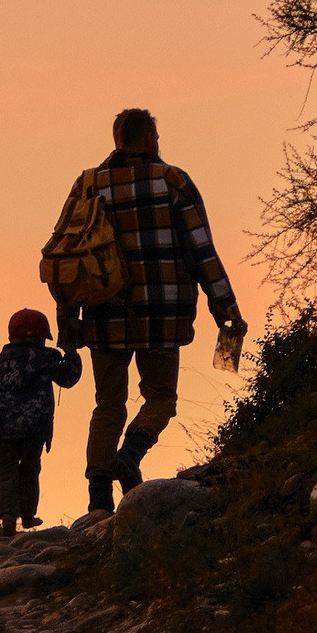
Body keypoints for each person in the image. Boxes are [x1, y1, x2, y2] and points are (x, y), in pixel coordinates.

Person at [49, 107, 245, 512]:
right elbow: (201, 250)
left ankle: (98, 501)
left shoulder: (89, 184)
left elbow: (64, 254)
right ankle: (129, 457)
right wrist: (225, 307)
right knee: (160, 399)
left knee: (107, 404)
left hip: (103, 315)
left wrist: (68, 320)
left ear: (117, 139)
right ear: (150, 139)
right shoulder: (173, 181)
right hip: (163, 316)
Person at [0, 307, 82, 537]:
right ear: (41, 337)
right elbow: (69, 377)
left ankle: (8, 517)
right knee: (30, 470)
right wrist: (71, 352)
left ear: (11, 335)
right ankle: (28, 515)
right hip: (34, 428)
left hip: (1, 429)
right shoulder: (46, 358)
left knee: (5, 472)